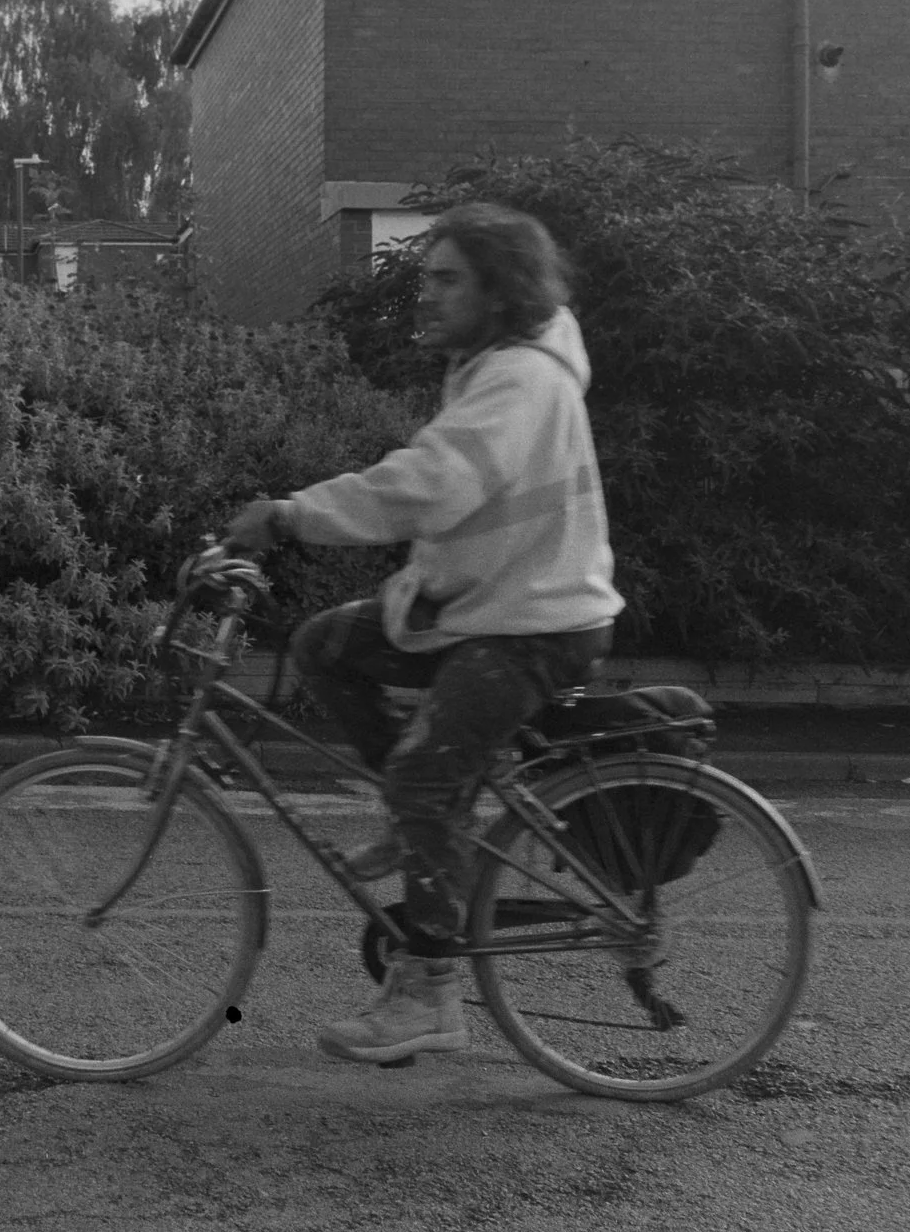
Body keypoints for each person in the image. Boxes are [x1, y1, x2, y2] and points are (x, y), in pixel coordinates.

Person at [223, 201, 621, 1065]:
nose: (425, 293)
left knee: (421, 776)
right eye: (427, 275)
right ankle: (424, 817)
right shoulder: (488, 364)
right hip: (484, 603)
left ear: (499, 289)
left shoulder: (522, 378)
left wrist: (292, 515)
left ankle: (432, 990)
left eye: (448, 278)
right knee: (325, 645)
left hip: (535, 623)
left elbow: (429, 486)